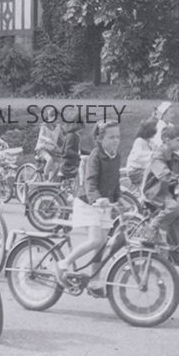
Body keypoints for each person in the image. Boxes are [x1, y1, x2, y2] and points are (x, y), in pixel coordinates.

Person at [54, 120, 124, 296]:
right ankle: (63, 264)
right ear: (100, 139)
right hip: (88, 203)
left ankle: (94, 281)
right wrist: (97, 199)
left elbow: (115, 181)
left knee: (102, 244)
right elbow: (90, 182)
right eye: (111, 137)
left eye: (118, 136)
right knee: (95, 240)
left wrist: (119, 199)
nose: (116, 140)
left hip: (104, 203)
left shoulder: (116, 156)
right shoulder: (95, 156)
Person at [142, 126, 179, 266]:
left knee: (177, 218)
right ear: (167, 140)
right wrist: (178, 178)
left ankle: (173, 252)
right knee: (174, 207)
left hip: (166, 193)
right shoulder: (157, 156)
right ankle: (152, 227)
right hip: (154, 192)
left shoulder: (176, 158)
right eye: (178, 140)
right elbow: (163, 174)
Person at [126, 119, 159, 189]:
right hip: (135, 171)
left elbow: (158, 150)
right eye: (153, 133)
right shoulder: (139, 141)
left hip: (144, 169)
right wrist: (152, 154)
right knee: (153, 178)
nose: (154, 135)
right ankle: (146, 192)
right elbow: (138, 155)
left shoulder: (150, 142)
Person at [34, 115, 62, 180]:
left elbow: (61, 137)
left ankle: (51, 180)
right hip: (42, 148)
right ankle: (45, 178)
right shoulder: (44, 126)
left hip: (51, 149)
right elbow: (40, 136)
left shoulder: (57, 127)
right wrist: (47, 139)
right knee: (50, 160)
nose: (57, 121)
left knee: (57, 164)